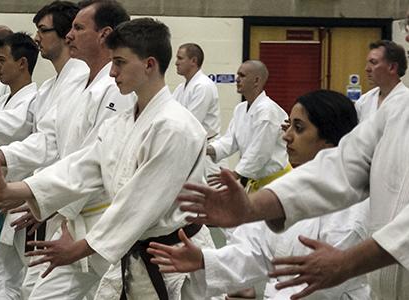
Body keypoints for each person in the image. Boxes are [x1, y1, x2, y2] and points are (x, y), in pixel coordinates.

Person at [0, 17, 216, 300]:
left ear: (149, 65)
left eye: (120, 63)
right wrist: (13, 189)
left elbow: (138, 204)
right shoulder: (120, 124)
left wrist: (82, 247)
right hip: (134, 251)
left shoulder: (175, 127)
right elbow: (80, 168)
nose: (113, 72)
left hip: (176, 257)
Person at [175, 21, 409, 298]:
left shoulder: (353, 217)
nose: (406, 31)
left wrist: (349, 262)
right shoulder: (394, 111)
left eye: (298, 129)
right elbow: (343, 165)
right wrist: (247, 211)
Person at [148, 90, 370, 299]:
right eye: (289, 126)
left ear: (330, 142)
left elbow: (321, 288)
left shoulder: (352, 209)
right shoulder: (288, 189)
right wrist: (204, 260)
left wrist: (239, 173)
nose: (286, 137)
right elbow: (256, 250)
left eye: (299, 128)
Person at [206, 60, 289, 193]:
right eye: (237, 75)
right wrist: (205, 149)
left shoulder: (267, 111)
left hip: (277, 182)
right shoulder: (240, 109)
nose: (237, 79)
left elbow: (260, 151)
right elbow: (230, 141)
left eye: (242, 75)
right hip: (257, 181)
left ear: (256, 80)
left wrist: (236, 174)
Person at [173, 43, 223, 175]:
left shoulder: (203, 86)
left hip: (207, 152)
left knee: (211, 193)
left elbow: (191, 122)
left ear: (193, 61)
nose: (176, 63)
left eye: (180, 58)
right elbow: (170, 116)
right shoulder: (180, 88)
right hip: (190, 149)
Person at [355, 40, 407, 122]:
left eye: (373, 62)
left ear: (392, 67)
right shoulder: (364, 101)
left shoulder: (406, 101)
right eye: (368, 63)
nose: (367, 69)